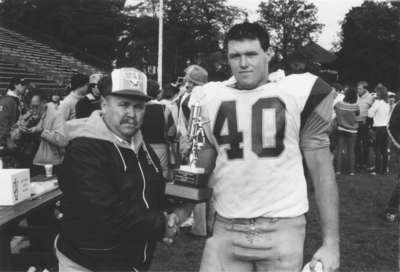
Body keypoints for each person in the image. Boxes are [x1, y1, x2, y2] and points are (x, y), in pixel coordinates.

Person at [187, 22, 339, 272]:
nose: (243, 63)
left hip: (282, 227)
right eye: (235, 56)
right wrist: (182, 207)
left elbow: (322, 172)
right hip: (227, 224)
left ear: (268, 54)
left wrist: (331, 242)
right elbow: (201, 156)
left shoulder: (297, 93)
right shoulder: (208, 97)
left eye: (251, 54)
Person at [55, 68, 189, 272]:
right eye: (124, 105)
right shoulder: (84, 148)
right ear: (104, 105)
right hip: (88, 262)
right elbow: (106, 211)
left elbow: (148, 193)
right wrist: (162, 226)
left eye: (139, 106)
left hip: (128, 261)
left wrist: (171, 210)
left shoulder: (140, 145)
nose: (132, 114)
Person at [141, 79, 176, 179]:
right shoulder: (164, 108)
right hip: (161, 147)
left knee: (144, 172)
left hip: (142, 146)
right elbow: (172, 131)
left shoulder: (138, 107)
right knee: (162, 173)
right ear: (157, 93)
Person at [0, 77, 28, 167]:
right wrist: (6, 140)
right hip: (9, 142)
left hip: (17, 140)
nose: (25, 87)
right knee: (11, 169)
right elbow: (3, 121)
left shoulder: (17, 100)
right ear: (15, 85)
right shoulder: (7, 100)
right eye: (22, 85)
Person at [334, 87, 360, 175]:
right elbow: (357, 114)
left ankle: (338, 170)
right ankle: (351, 171)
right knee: (351, 151)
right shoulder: (356, 106)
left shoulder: (339, 104)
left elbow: (334, 108)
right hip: (352, 130)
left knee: (339, 150)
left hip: (341, 128)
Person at [368, 84, 391, 175]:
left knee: (377, 149)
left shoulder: (377, 103)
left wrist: (371, 109)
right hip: (386, 127)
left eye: (377, 92)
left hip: (378, 127)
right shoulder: (387, 103)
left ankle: (377, 170)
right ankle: (384, 169)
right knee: (384, 149)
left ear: (379, 93)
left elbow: (370, 114)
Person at [355, 81, 374, 169]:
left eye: (360, 89)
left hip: (365, 124)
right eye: (358, 88)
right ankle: (358, 162)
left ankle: (366, 162)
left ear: (365, 89)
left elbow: (373, 111)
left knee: (365, 144)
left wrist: (370, 124)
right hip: (355, 124)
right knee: (356, 144)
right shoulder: (356, 96)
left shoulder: (370, 98)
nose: (358, 90)